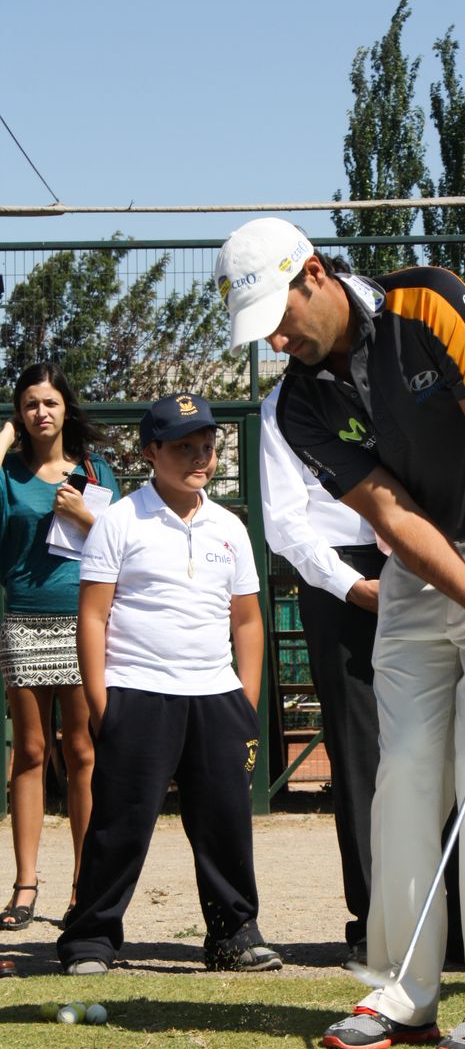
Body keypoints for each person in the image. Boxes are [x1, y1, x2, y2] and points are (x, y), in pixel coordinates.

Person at [215, 217, 465, 1049]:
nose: (276, 338)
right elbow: (390, 515)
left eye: (280, 314)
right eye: (259, 328)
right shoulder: (296, 403)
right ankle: (406, 989)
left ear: (312, 274)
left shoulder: (429, 302)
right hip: (427, 562)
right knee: (401, 776)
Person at [57, 393, 280, 975]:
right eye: (183, 446)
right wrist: (102, 701)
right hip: (137, 691)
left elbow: (249, 619)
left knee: (226, 823)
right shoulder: (119, 521)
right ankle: (90, 939)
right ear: (150, 451)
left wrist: (244, 700)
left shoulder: (229, 525)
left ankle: (233, 934)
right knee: (120, 825)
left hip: (216, 697)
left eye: (207, 444)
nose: (200, 455)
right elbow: (93, 616)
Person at [260, 380, 385, 962]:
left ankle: (451, 918)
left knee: (445, 742)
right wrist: (348, 586)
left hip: (426, 560)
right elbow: (285, 519)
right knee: (359, 753)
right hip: (339, 577)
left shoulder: (403, 380)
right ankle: (375, 921)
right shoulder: (283, 404)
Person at [0, 362, 119, 931]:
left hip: (83, 622)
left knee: (82, 752)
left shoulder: (97, 471)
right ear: (19, 414)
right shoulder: (7, 472)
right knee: (28, 752)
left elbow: (123, 546)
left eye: (49, 402)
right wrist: (0, 441)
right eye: (29, 405)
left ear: (66, 407)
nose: (40, 413)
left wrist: (84, 514)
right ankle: (24, 885)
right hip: (23, 619)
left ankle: (84, 887)